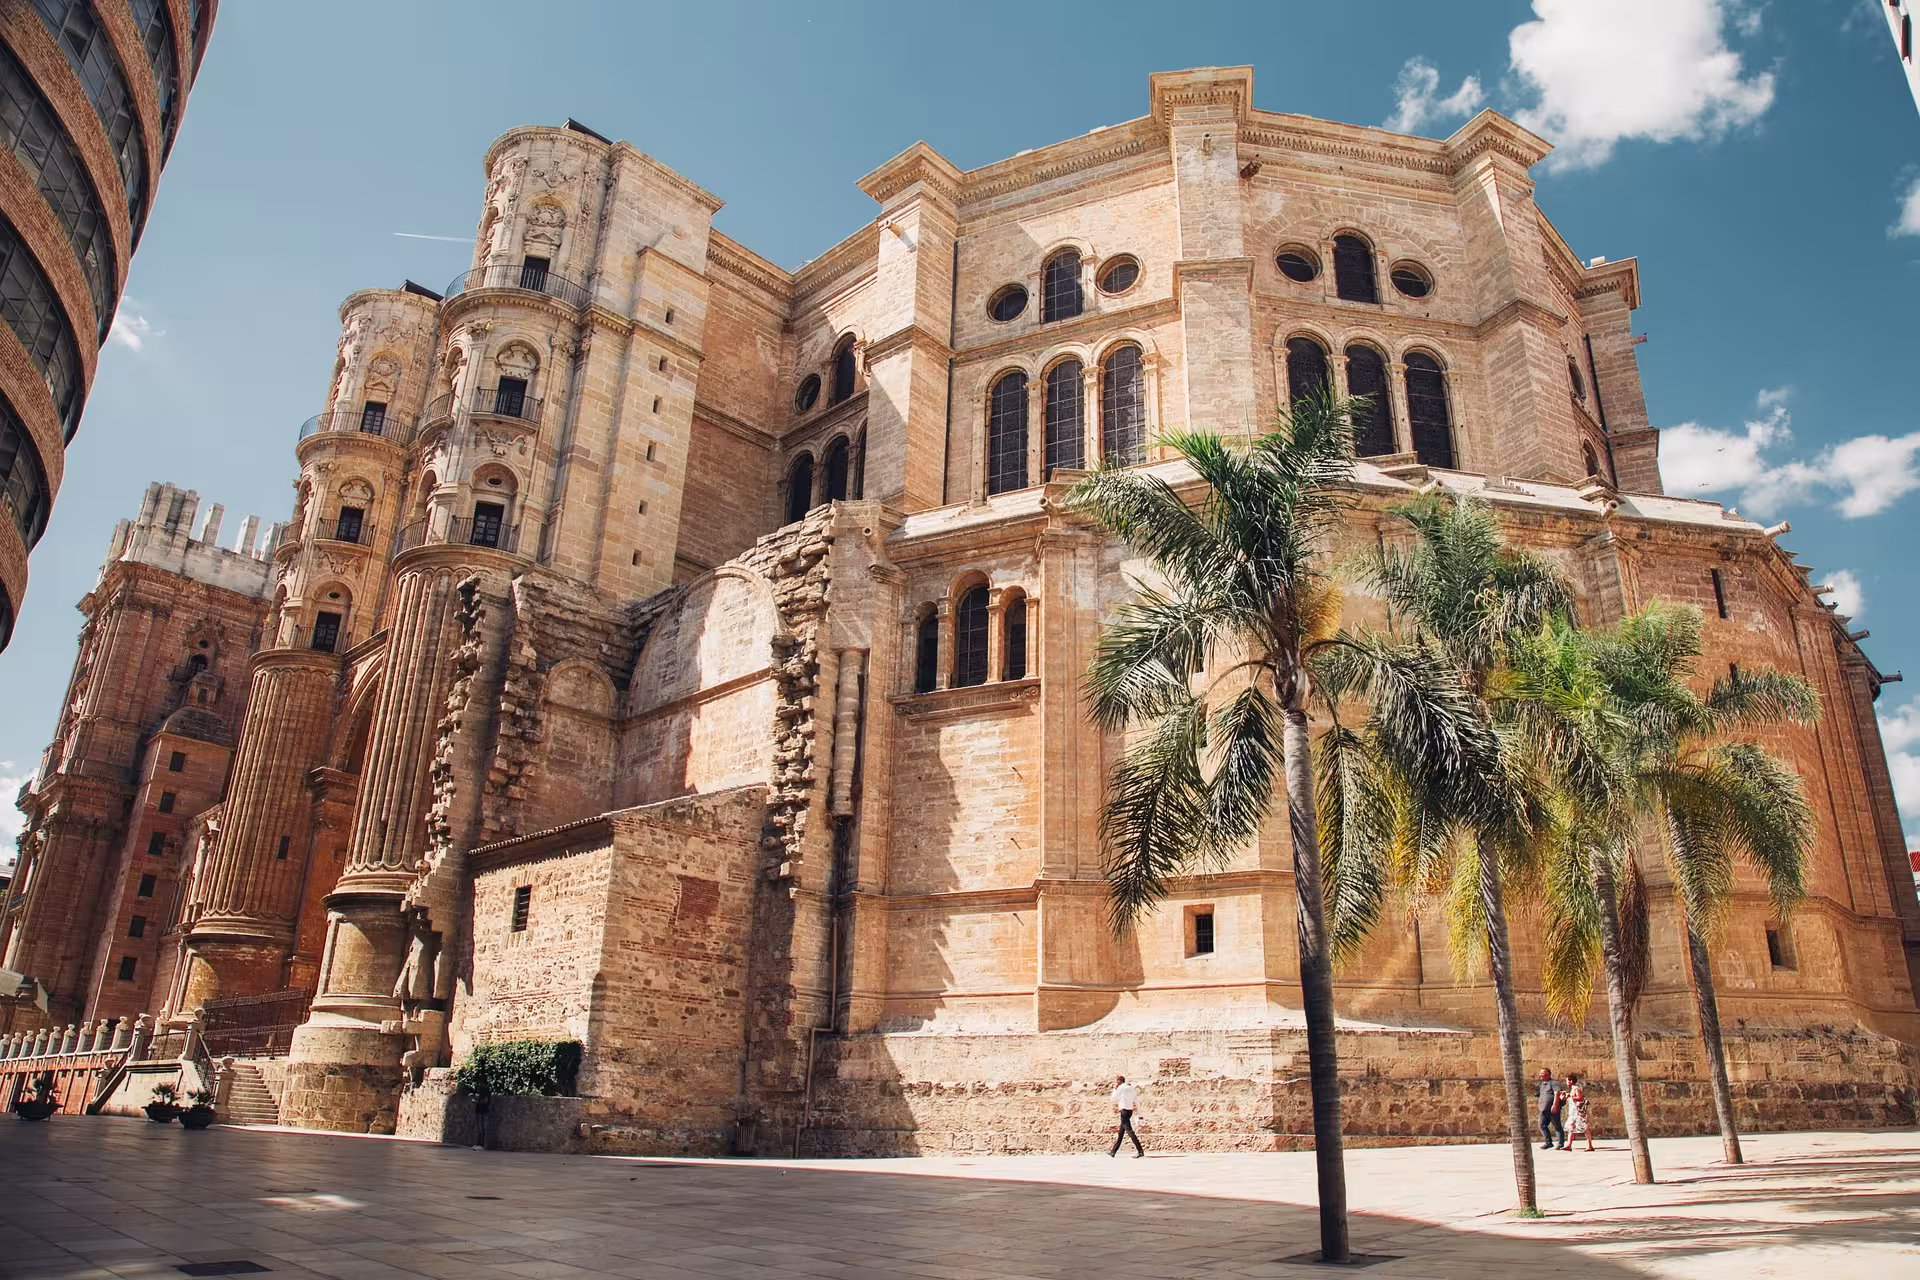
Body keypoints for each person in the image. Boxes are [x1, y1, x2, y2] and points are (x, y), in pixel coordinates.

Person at [1109, 1075, 1144, 1157]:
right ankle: (1113, 1151)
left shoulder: (1121, 1088)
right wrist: (1140, 1114)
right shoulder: (1131, 1088)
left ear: (1119, 1081)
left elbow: (1113, 1099)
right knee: (1121, 1132)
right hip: (1129, 1111)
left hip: (1124, 1111)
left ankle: (1140, 1151)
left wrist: (1115, 1089)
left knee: (1129, 1131)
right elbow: (1136, 1102)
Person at [1562, 1072, 1594, 1151]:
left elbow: (1580, 1098)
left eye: (1567, 1081)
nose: (1566, 1083)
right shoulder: (1573, 1089)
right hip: (1573, 1113)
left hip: (1578, 1113)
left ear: (1571, 1081)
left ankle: (1590, 1145)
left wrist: (1570, 1096)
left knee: (1585, 1128)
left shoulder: (1576, 1089)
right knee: (1571, 1128)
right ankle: (1569, 1145)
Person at [1535, 1067, 1564, 1150]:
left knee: (1557, 1126)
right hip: (1543, 1109)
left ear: (1548, 1074)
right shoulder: (1542, 1085)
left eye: (1542, 1073)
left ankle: (1560, 1143)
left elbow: (1557, 1094)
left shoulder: (1553, 1083)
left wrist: (1555, 1105)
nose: (1540, 1075)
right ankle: (1548, 1142)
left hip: (1552, 1109)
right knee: (1542, 1125)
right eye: (1540, 1073)